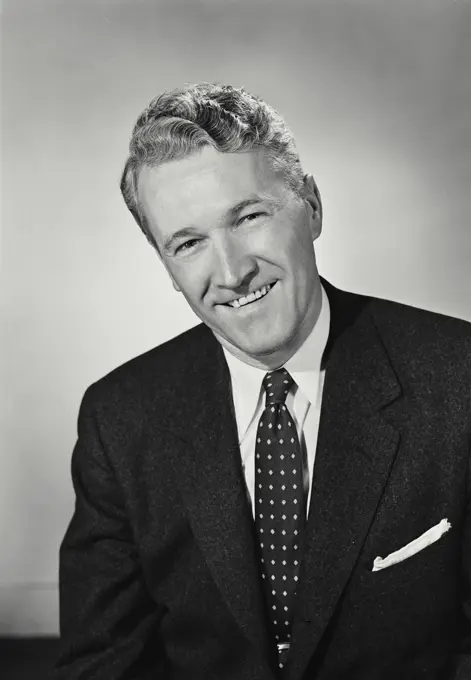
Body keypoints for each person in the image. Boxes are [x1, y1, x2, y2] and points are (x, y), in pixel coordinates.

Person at [53, 83, 471, 680]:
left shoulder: (458, 378)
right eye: (189, 243)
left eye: (249, 217)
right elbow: (102, 664)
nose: (231, 272)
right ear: (167, 267)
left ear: (314, 208)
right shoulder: (119, 419)